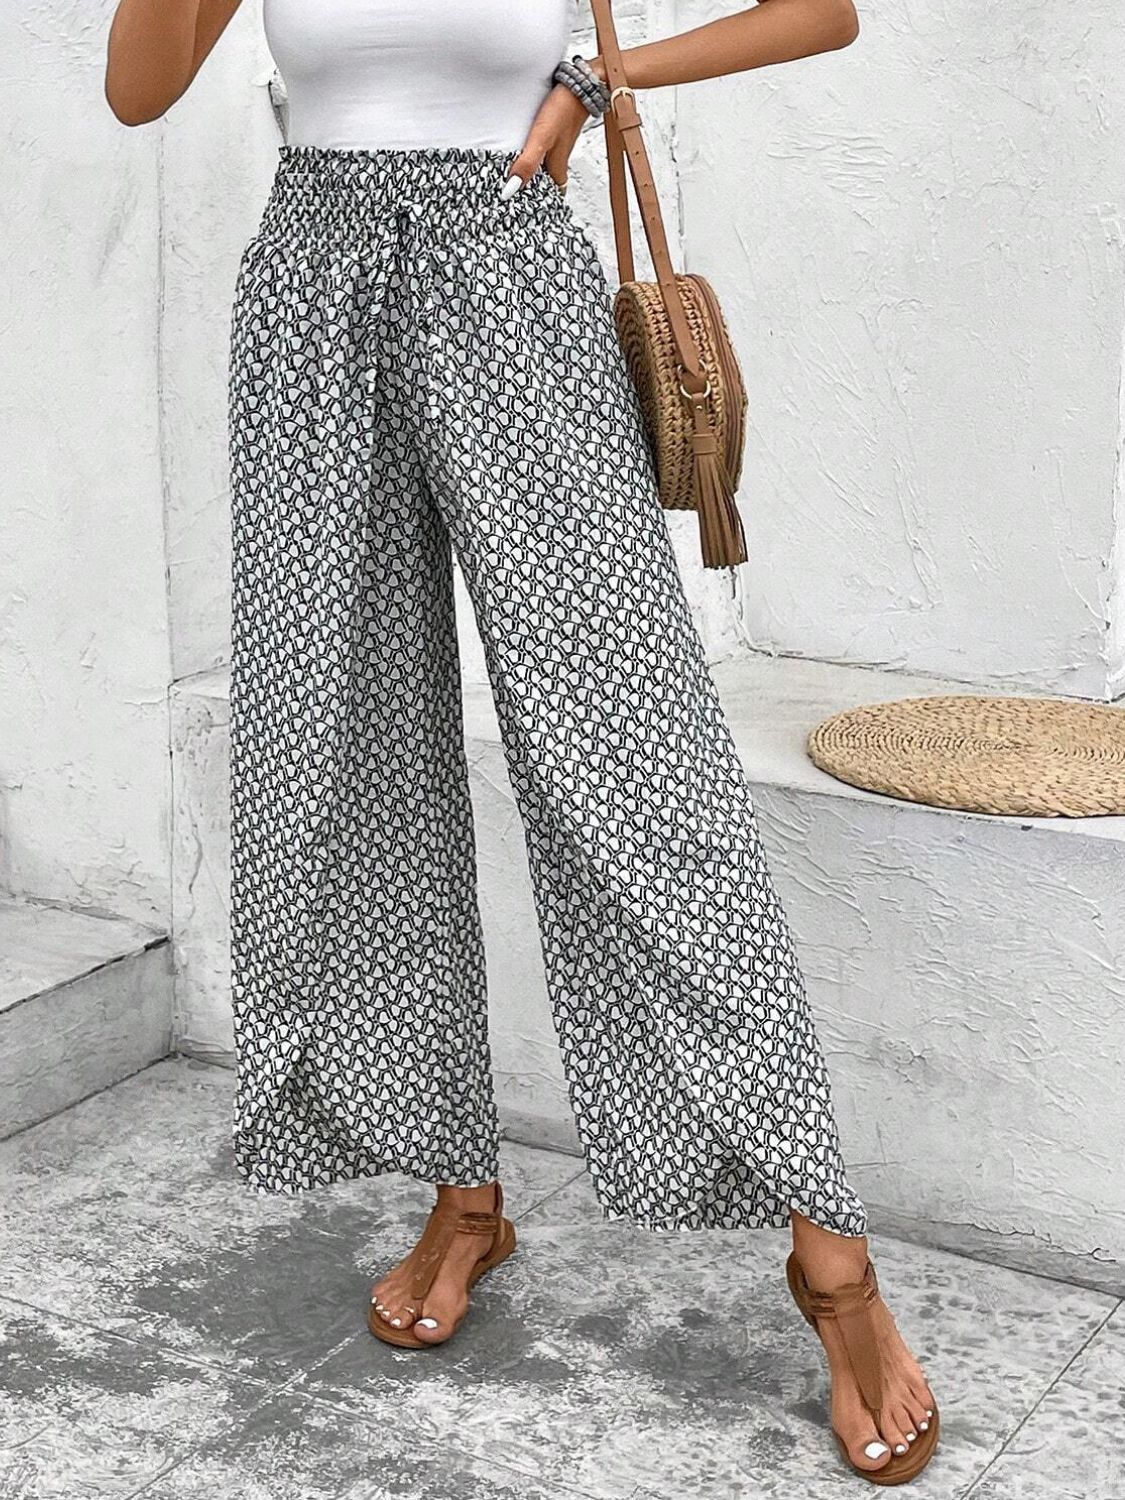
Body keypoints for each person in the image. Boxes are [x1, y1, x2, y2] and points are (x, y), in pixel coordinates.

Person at [105, 0, 938, 1483]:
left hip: (511, 276)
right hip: (309, 288)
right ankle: (461, 1194)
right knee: (346, 760)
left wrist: (596, 78)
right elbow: (135, 89)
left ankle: (830, 1255)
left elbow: (820, 14)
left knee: (636, 764)